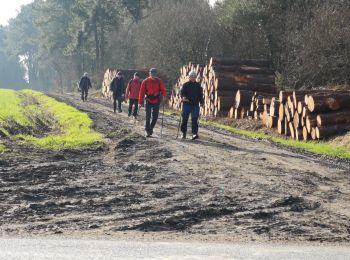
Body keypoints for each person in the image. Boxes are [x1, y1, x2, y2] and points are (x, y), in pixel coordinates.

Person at [138, 68, 167, 137]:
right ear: (149, 74)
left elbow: (163, 89)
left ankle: (150, 128)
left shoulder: (159, 81)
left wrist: (164, 96)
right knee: (148, 116)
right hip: (148, 100)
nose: (153, 75)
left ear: (156, 74)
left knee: (155, 117)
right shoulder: (145, 81)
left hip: (156, 100)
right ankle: (147, 130)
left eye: (154, 74)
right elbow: (141, 92)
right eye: (152, 73)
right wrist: (140, 102)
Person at [180, 71, 204, 140]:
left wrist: (201, 102)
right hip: (186, 105)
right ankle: (183, 133)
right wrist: (183, 97)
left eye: (194, 77)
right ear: (189, 77)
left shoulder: (198, 85)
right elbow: (182, 93)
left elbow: (200, 95)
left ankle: (194, 134)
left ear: (196, 77)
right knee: (184, 119)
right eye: (192, 77)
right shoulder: (185, 85)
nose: (193, 78)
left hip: (195, 105)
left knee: (194, 119)